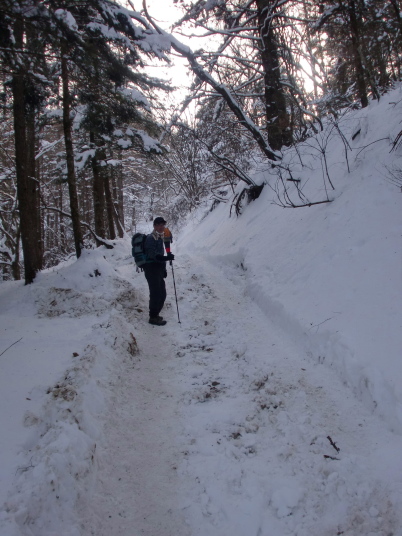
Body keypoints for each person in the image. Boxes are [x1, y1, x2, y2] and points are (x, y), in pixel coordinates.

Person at [143, 217, 174, 326]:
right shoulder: (150, 238)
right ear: (155, 226)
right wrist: (165, 258)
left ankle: (155, 314)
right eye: (159, 225)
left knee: (162, 293)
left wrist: (164, 268)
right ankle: (153, 317)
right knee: (156, 293)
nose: (161, 227)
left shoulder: (160, 237)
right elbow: (153, 254)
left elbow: (160, 254)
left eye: (163, 225)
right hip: (151, 268)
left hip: (159, 268)